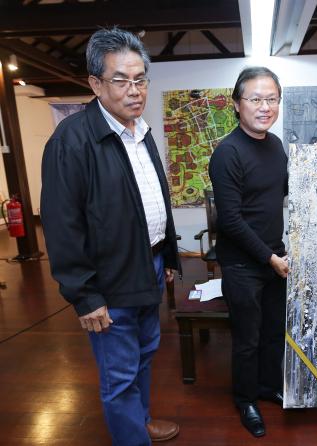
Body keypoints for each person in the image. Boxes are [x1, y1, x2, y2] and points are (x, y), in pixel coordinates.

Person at [41, 27, 180, 445]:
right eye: (121, 80)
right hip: (108, 280)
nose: (134, 90)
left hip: (148, 265)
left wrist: (167, 256)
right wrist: (84, 295)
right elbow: (62, 224)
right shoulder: (71, 140)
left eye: (140, 79)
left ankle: (140, 421)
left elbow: (152, 200)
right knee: (119, 374)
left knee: (145, 354)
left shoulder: (140, 130)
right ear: (96, 84)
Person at [208, 66, 288, 438]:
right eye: (255, 99)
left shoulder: (275, 145)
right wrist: (269, 258)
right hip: (243, 263)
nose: (264, 107)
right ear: (237, 104)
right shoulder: (227, 153)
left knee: (273, 332)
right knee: (247, 338)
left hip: (275, 257)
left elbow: (285, 193)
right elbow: (230, 221)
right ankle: (245, 400)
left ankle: (268, 386)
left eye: (271, 99)